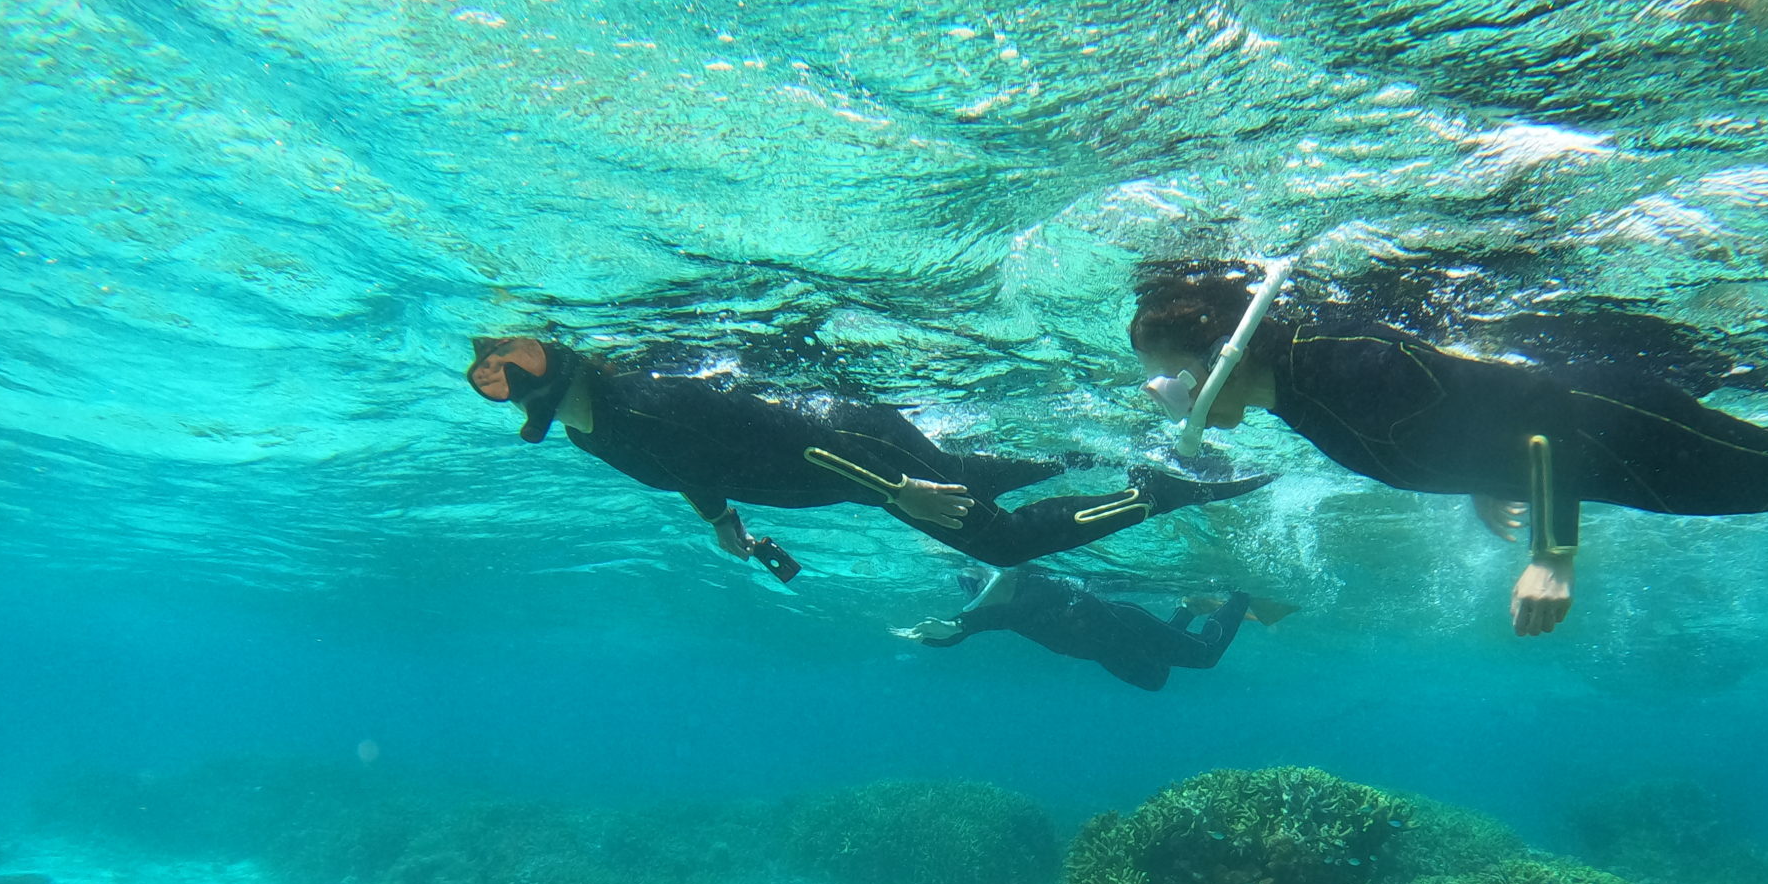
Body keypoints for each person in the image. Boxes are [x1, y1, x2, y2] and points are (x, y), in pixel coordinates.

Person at [1128, 263, 1768, 636]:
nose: (1164, 398)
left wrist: (1552, 556)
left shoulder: (1340, 365)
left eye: (1168, 375)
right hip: (1589, 452)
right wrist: (1475, 478)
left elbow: (1536, 407)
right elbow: (1456, 419)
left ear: (1221, 357)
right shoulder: (1292, 386)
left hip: (1607, 422)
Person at [467, 336, 1269, 573]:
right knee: (967, 478)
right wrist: (722, 524)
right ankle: (1090, 449)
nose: (502, 381)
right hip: (853, 457)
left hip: (851, 443)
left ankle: (1156, 491)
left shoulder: (645, 399)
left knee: (1003, 543)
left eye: (506, 370)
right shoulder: (592, 430)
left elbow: (798, 440)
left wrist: (895, 494)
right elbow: (691, 471)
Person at [898, 566, 1291, 690]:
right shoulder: (1007, 611)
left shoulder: (1036, 586)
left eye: (981, 586)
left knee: (1205, 656)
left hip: (1128, 626)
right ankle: (1186, 608)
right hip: (1109, 650)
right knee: (1156, 679)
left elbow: (979, 620)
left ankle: (1240, 596)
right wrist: (948, 630)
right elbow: (973, 625)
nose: (981, 595)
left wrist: (957, 623)